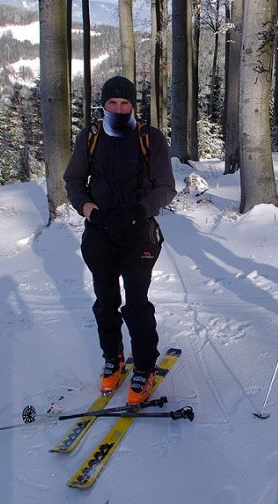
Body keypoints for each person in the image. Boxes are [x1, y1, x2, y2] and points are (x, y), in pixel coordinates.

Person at [64, 76, 176, 405]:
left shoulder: (149, 138)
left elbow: (165, 186)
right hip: (99, 231)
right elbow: (73, 179)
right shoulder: (90, 137)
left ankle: (144, 367)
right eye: (112, 103)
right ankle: (112, 359)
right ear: (103, 104)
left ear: (133, 106)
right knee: (106, 300)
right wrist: (89, 210)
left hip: (137, 230)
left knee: (136, 303)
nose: (118, 108)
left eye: (124, 103)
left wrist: (139, 211)